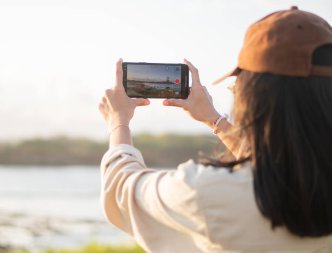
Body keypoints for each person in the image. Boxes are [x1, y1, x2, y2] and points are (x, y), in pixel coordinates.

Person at [98, 6, 332, 253]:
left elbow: (123, 192)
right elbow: (279, 160)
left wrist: (118, 122)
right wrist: (213, 119)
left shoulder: (208, 193)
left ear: (252, 94)